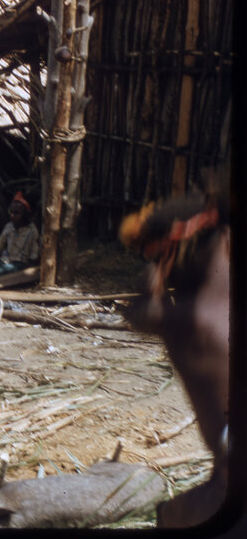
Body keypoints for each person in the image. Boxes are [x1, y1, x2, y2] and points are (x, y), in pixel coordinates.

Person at [119, 185, 229, 528]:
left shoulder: (193, 321)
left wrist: (151, 284)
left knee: (174, 517)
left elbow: (140, 313)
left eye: (150, 256)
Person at [0, 192, 40, 276]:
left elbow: (35, 252)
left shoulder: (32, 230)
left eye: (16, 213)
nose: (12, 215)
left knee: (2, 270)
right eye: (11, 212)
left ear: (25, 214)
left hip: (21, 263)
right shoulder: (9, 226)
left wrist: (31, 264)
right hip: (6, 261)